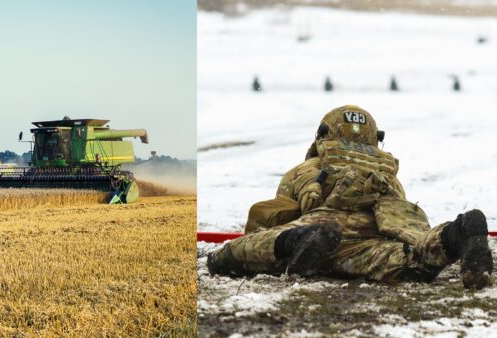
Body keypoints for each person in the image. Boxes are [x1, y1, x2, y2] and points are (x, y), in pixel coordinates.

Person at [207, 105, 493, 289]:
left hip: (322, 222)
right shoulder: (386, 172)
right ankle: (455, 234)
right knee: (411, 263)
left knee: (239, 250)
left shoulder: (308, 167)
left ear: (323, 134)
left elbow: (286, 208)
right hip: (371, 236)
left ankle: (298, 240)